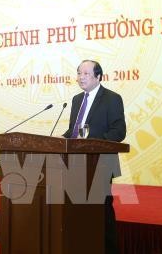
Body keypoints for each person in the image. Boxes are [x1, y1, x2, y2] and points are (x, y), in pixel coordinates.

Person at [63, 60, 126, 254]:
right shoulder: (76, 100)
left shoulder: (112, 98)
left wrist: (95, 145)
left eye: (86, 73)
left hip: (101, 163)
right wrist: (60, 141)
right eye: (79, 73)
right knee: (78, 212)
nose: (81, 77)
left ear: (98, 77)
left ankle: (108, 250)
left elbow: (119, 131)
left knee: (102, 213)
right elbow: (74, 132)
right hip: (75, 164)